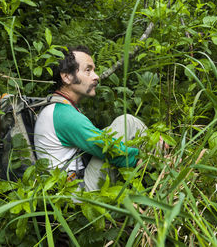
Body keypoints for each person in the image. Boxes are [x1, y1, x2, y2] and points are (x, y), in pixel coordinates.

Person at [33, 46, 146, 191]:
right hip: (80, 194)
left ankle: (161, 160)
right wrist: (141, 158)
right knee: (126, 122)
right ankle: (162, 164)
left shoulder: (57, 108)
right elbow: (107, 150)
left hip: (70, 187)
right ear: (66, 77)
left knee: (109, 135)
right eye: (88, 70)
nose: (96, 76)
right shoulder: (64, 115)